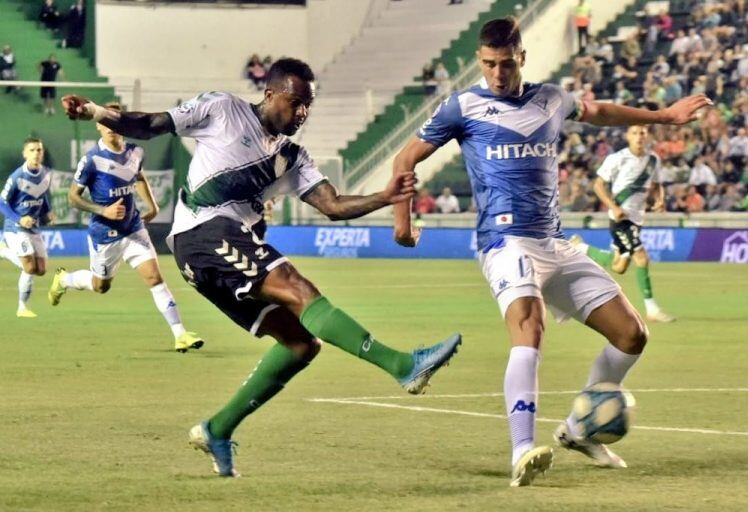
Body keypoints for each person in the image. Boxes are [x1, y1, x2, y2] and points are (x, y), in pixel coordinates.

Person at [61, 58, 461, 477]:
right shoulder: (222, 108)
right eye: (296, 102)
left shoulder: (294, 157)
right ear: (270, 94)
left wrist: (384, 196)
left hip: (219, 246)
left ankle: (216, 429)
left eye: (308, 104)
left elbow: (333, 205)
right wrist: (94, 111)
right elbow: (151, 123)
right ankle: (402, 366)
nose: (303, 112)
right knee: (297, 288)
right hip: (200, 232)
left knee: (302, 344)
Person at [391, 17, 710, 487]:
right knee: (529, 325)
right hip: (505, 242)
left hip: (554, 243)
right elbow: (405, 159)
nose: (496, 74)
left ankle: (579, 430)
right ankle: (522, 450)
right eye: (487, 65)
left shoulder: (552, 99)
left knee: (632, 335)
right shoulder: (463, 107)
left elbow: (598, 110)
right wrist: (402, 221)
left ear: (522, 57)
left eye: (504, 64)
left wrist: (663, 117)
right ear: (480, 61)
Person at [47, 102, 202, 352]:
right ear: (98, 125)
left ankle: (180, 334)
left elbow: (138, 176)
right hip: (104, 235)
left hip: (133, 228)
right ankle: (64, 279)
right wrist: (103, 210)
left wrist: (152, 207)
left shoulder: (135, 152)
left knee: (155, 278)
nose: (111, 127)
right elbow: (73, 197)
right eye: (106, 122)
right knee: (101, 286)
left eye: (116, 122)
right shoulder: (91, 160)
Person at [570, 125, 676, 323]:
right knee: (642, 259)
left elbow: (656, 184)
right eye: (634, 133)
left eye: (642, 133)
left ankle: (580, 247)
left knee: (619, 266)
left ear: (648, 136)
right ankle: (652, 309)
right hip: (620, 219)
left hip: (637, 218)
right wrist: (613, 207)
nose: (639, 137)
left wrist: (660, 199)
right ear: (628, 136)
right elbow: (598, 185)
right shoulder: (617, 158)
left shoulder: (653, 160)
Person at [0, 138, 54, 318]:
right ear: (25, 154)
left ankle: (4, 251)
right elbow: (2, 202)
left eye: (39, 150)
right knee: (29, 268)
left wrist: (48, 213)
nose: (36, 153)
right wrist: (18, 219)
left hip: (34, 228)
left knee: (41, 270)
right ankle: (22, 307)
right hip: (15, 229)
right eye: (32, 150)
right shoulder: (17, 177)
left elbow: (43, 196)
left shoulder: (46, 173)